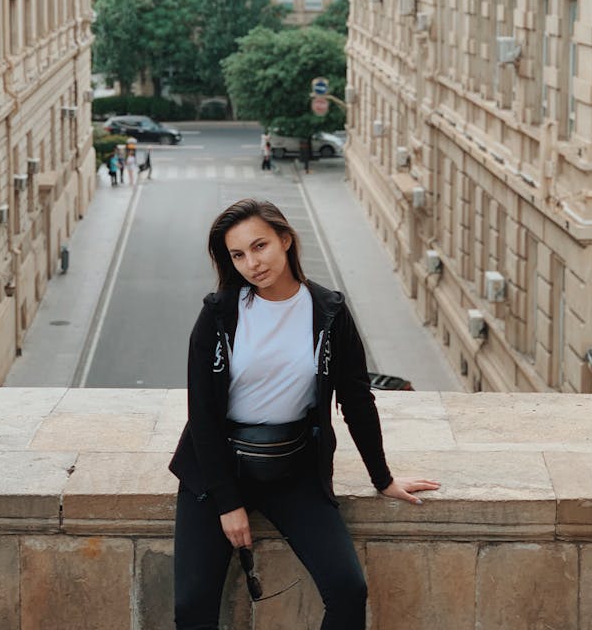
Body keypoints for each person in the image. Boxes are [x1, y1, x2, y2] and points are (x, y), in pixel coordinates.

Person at [169, 198, 440, 630]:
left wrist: (382, 478)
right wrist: (228, 502)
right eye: (238, 255)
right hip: (216, 470)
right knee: (192, 608)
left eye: (260, 246)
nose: (252, 263)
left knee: (349, 591)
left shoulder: (328, 311)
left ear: (286, 239)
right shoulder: (219, 314)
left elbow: (356, 400)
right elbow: (200, 414)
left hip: (293, 469)